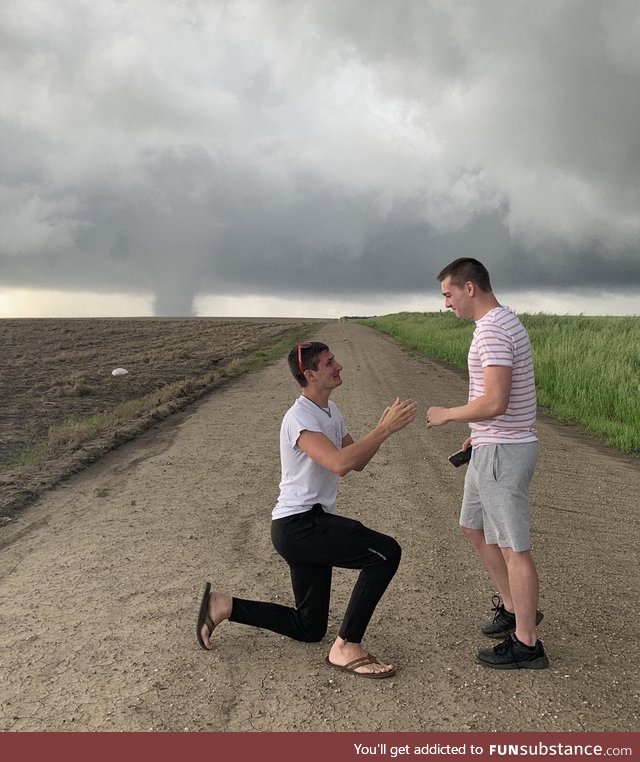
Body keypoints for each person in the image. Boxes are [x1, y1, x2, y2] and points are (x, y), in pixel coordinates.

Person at [196, 340, 417, 678]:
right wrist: (383, 428)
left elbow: (355, 461)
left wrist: (383, 430)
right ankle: (346, 646)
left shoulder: (331, 411)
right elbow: (339, 464)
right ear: (310, 374)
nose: (339, 366)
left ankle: (225, 605)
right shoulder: (299, 417)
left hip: (308, 525)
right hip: (299, 526)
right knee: (385, 553)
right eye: (330, 363)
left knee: (309, 627)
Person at [426, 258, 549, 670]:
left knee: (515, 547)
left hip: (504, 451)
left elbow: (495, 401)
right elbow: (501, 403)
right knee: (472, 528)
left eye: (448, 294)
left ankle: (527, 643)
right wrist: (477, 433)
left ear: (469, 288)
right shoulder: (500, 323)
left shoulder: (493, 330)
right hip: (491, 443)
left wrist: (449, 414)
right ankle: (515, 610)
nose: (446, 304)